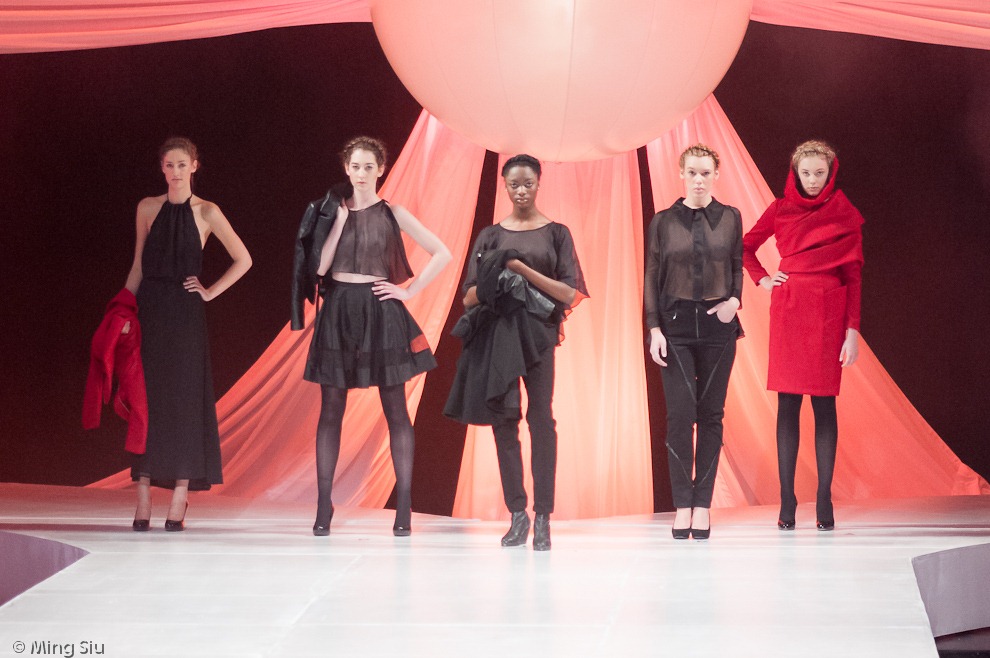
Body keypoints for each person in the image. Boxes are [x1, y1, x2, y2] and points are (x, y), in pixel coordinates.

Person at [292, 136, 452, 537]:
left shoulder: (393, 212)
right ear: (345, 169)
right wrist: (339, 221)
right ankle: (324, 504)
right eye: (355, 167)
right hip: (339, 309)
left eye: (368, 167)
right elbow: (319, 269)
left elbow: (442, 252)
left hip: (381, 312)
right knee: (331, 409)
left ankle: (404, 505)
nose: (361, 174)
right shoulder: (332, 211)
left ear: (381, 169)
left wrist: (410, 291)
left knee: (396, 409)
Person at [450, 154, 587, 551]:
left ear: (539, 183)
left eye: (528, 183)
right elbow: (469, 297)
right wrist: (499, 277)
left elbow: (570, 292)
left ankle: (543, 517)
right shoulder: (490, 236)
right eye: (514, 185)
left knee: (541, 419)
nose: (521, 191)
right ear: (505, 187)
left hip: (539, 337)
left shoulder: (557, 233)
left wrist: (521, 269)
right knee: (504, 422)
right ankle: (517, 514)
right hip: (499, 337)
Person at [124, 137, 252, 531]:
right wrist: (123, 310)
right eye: (169, 165)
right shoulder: (147, 207)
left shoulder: (208, 211)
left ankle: (180, 495)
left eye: (182, 164)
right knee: (147, 400)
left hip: (184, 314)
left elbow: (244, 259)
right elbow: (138, 265)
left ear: (195, 166)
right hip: (150, 310)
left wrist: (210, 291)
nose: (175, 172)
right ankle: (143, 494)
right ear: (161, 168)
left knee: (183, 401)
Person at [742, 140, 863, 532]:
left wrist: (852, 330)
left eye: (819, 173)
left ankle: (824, 497)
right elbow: (744, 247)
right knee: (788, 404)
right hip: (790, 309)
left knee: (825, 405)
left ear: (831, 173)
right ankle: (787, 498)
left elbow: (854, 277)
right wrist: (763, 279)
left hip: (828, 312)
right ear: (795, 172)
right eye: (806, 173)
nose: (812, 180)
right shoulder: (780, 209)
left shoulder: (842, 212)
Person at [644, 144, 743, 541]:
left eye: (705, 173)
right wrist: (653, 328)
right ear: (681, 174)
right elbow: (651, 275)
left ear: (716, 175)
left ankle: (703, 506)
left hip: (719, 327)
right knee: (680, 416)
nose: (699, 180)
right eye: (692, 173)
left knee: (712, 415)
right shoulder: (663, 221)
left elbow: (736, 265)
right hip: (675, 326)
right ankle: (682, 504)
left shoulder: (731, 217)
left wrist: (735, 302)